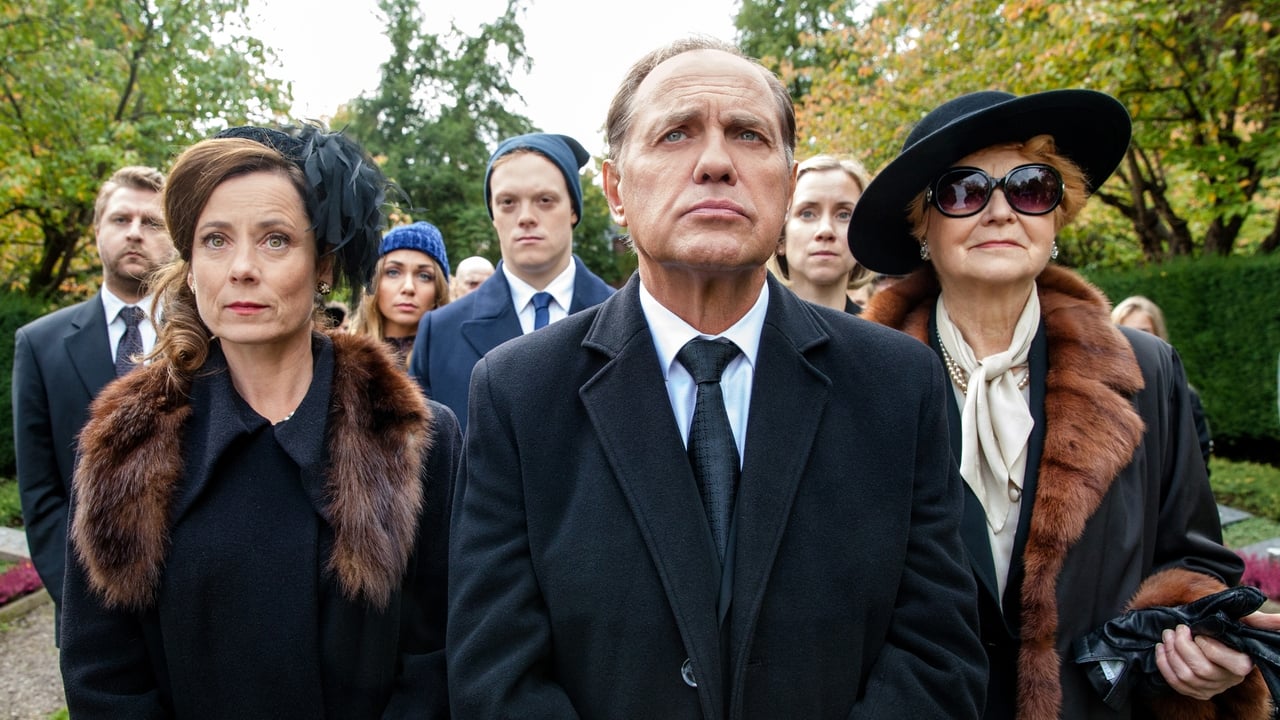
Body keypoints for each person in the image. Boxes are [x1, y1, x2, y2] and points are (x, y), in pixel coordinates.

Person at [447, 38, 986, 719]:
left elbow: (937, 652)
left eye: (748, 135)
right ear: (615, 190)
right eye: (675, 133)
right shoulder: (519, 392)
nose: (715, 162)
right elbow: (495, 672)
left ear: (787, 186)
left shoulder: (897, 384)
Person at [850, 89, 1273, 718]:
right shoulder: (858, 381)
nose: (1000, 212)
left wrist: (1196, 641)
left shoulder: (1147, 369)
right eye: (964, 192)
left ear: (1055, 218)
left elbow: (1193, 557)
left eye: (1030, 188)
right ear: (923, 227)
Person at [59, 125, 459, 719]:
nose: (242, 268)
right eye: (215, 240)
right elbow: (102, 671)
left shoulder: (410, 434)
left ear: (323, 265)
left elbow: (438, 651)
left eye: (275, 240)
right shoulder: (128, 439)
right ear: (190, 266)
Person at [12, 165, 175, 639]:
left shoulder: (210, 339)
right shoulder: (39, 344)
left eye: (152, 222)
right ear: (96, 230)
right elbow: (40, 491)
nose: (135, 233)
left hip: (193, 602)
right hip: (88, 607)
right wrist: (79, 599)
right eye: (121, 219)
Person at [409, 132, 614, 429]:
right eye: (508, 202)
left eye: (545, 200)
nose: (526, 217)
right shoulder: (440, 333)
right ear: (493, 214)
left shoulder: (628, 319)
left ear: (573, 208)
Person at [1112, 295, 1213, 471]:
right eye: (1125, 332)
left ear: (1158, 335)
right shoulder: (1102, 394)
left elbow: (1196, 461)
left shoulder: (1182, 395)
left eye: (1143, 332)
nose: (1135, 341)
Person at [770, 154, 872, 313]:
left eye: (844, 215)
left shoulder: (885, 328)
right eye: (807, 214)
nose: (826, 230)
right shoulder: (747, 327)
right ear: (780, 238)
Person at [350, 221, 452, 368]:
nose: (408, 287)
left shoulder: (457, 360)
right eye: (393, 272)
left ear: (439, 289)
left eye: (424, 276)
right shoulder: (338, 359)